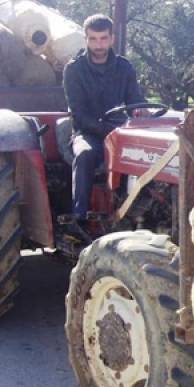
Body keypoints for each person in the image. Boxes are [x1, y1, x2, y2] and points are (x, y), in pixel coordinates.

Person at [63, 14, 144, 237]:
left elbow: (135, 101)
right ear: (86, 39)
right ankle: (78, 218)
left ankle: (136, 211)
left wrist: (140, 115)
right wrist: (108, 131)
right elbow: (78, 114)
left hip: (121, 131)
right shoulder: (74, 70)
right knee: (86, 154)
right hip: (88, 133)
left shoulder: (124, 68)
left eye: (103, 38)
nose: (99, 44)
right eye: (93, 39)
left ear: (112, 39)